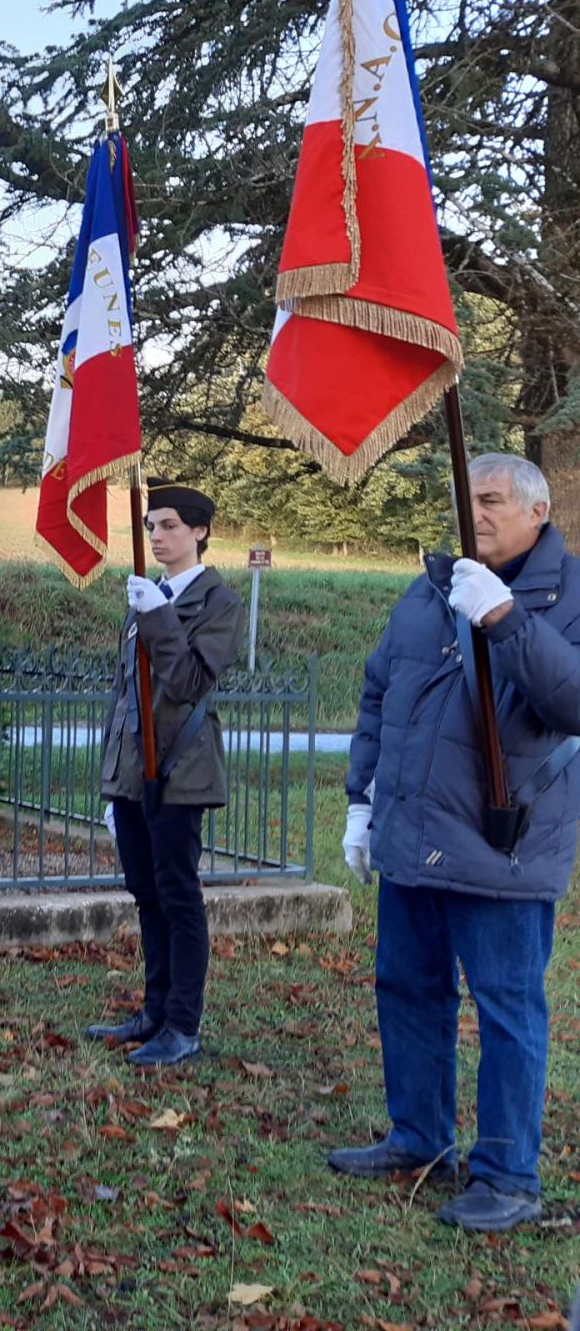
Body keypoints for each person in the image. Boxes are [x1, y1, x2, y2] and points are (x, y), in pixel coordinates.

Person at [329, 453, 580, 1232]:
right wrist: (361, 802)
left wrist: (507, 619)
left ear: (536, 512)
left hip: (501, 843)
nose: (477, 512)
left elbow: (570, 698)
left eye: (494, 499)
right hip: (411, 836)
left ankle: (508, 1175)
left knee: (507, 1011)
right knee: (406, 989)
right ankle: (419, 1137)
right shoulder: (430, 587)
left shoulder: (568, 592)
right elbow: (380, 693)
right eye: (467, 499)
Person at [86, 479, 242, 1067]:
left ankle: (183, 1024)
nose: (157, 535)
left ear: (200, 531)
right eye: (151, 526)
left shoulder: (219, 602)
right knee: (145, 894)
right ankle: (154, 1010)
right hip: (136, 774)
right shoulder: (145, 592)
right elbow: (127, 695)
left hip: (182, 772)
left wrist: (158, 618)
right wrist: (115, 780)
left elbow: (187, 684)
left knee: (179, 896)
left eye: (170, 525)